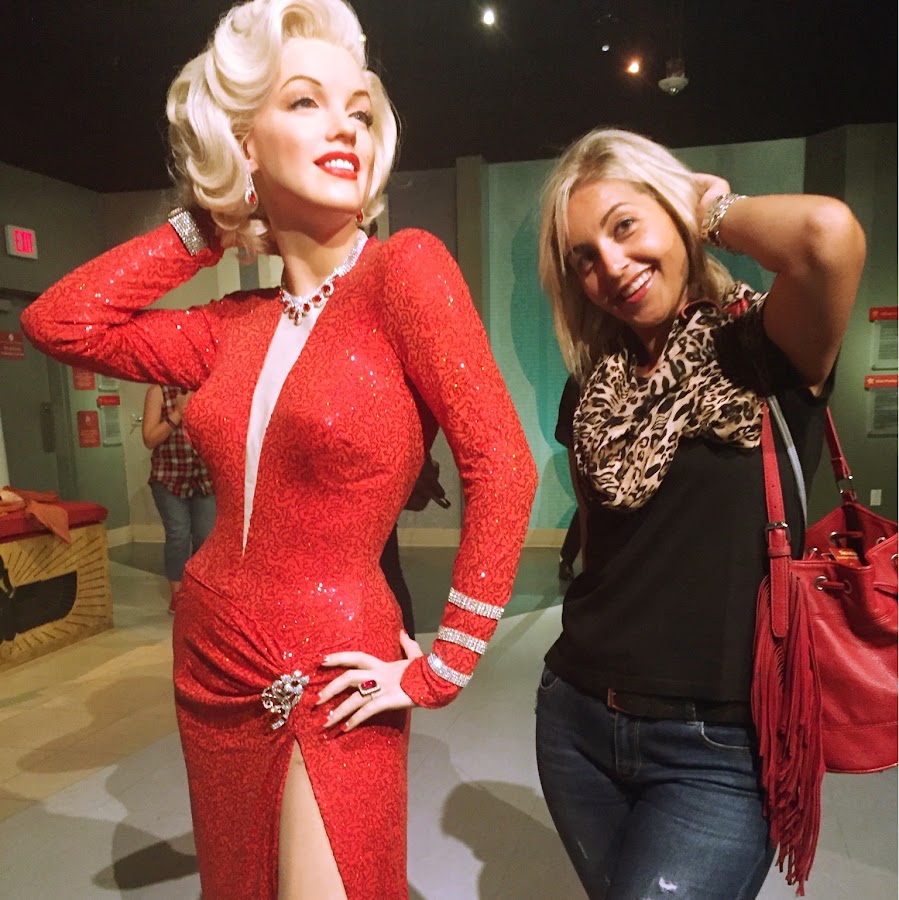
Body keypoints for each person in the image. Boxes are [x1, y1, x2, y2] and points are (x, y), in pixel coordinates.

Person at [21, 1, 537, 897]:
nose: (344, 126)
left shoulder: (403, 271)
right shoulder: (231, 324)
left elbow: (503, 464)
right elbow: (58, 321)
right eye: (304, 101)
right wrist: (208, 224)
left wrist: (446, 661)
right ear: (243, 144)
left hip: (335, 662)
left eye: (358, 110)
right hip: (210, 650)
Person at [534, 128, 864, 899]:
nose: (610, 265)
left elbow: (825, 235)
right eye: (584, 257)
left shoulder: (764, 344)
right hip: (575, 720)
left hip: (718, 750)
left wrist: (704, 203)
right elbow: (604, 547)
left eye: (625, 226)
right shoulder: (595, 383)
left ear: (673, 212)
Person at [141, 384, 216, 612]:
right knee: (178, 535)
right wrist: (178, 413)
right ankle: (178, 594)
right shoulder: (158, 391)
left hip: (203, 477)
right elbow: (149, 439)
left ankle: (199, 590)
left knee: (206, 536)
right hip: (168, 478)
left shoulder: (207, 388)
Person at [555, 375, 583, 581]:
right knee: (586, 502)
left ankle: (567, 557)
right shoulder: (579, 377)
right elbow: (566, 427)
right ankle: (567, 557)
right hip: (581, 442)